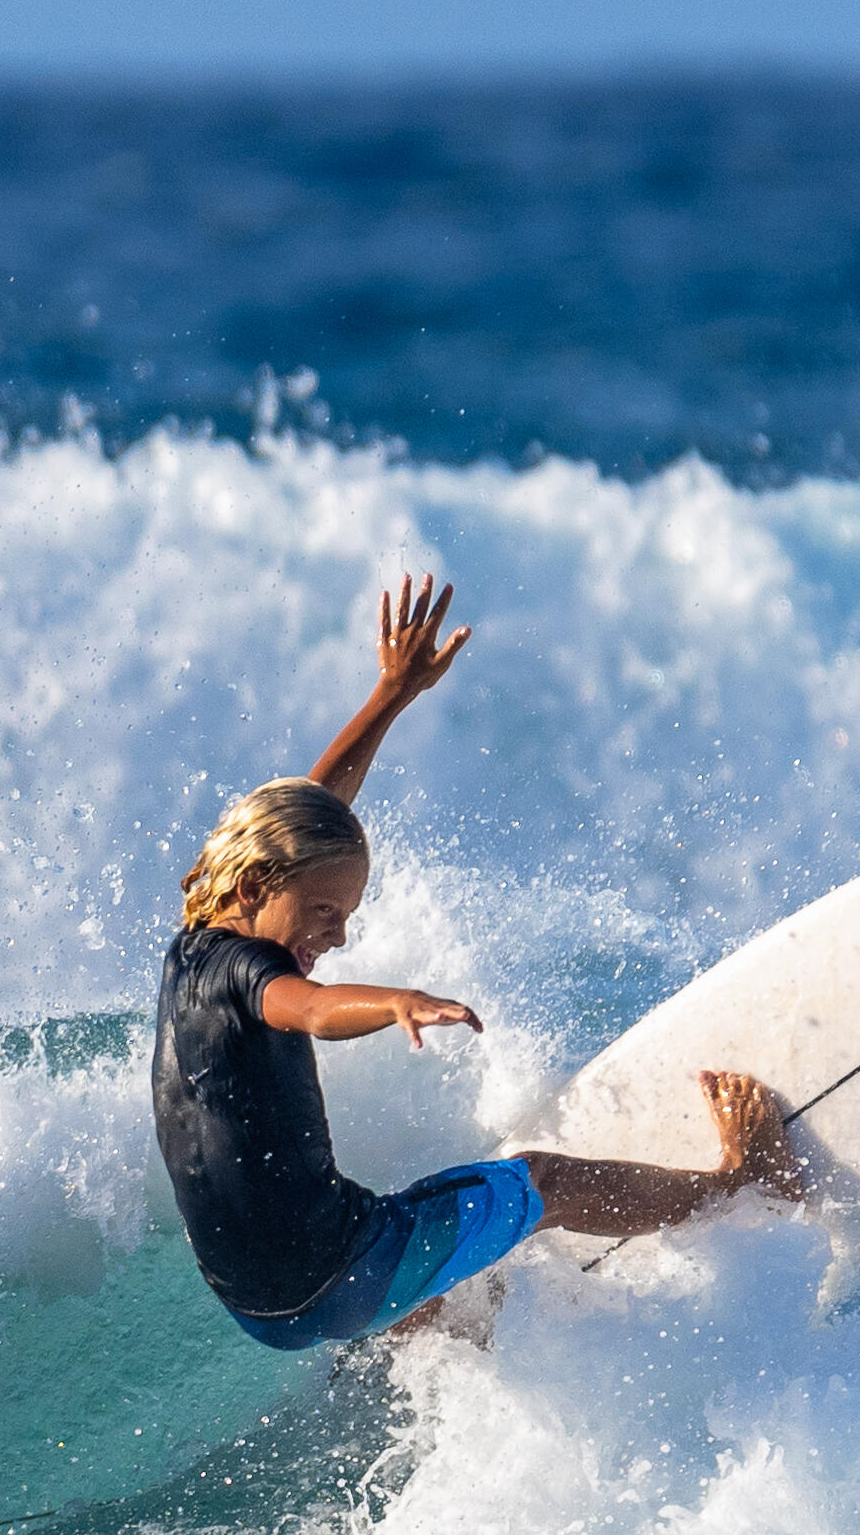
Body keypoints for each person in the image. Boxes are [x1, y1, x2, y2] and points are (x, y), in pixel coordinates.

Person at [152, 572, 803, 1349]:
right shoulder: (248, 972)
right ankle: (738, 1187)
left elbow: (308, 816)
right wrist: (396, 1001)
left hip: (266, 1311)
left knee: (405, 1269)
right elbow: (312, 1008)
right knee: (541, 1180)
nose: (337, 934)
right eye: (327, 912)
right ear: (260, 884)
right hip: (347, 1267)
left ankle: (437, 1327)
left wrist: (390, 694)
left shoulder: (199, 941)